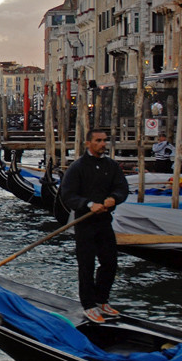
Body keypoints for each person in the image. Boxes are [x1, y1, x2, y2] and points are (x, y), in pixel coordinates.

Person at [59, 128, 129, 324]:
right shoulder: (77, 167)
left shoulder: (111, 166)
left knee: (110, 262)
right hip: (85, 223)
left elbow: (122, 188)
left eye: (104, 141)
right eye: (98, 141)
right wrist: (89, 204)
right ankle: (89, 305)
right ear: (88, 143)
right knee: (87, 265)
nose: (103, 144)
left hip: (104, 222)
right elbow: (68, 195)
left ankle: (101, 300)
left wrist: (114, 199)